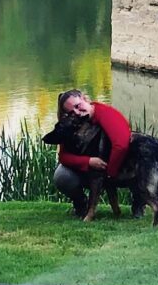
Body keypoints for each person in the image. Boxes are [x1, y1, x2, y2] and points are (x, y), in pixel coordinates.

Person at [50, 87, 132, 216]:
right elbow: (63, 157)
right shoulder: (70, 125)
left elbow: (121, 145)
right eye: (71, 112)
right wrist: (89, 162)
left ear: (85, 98)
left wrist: (110, 173)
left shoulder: (106, 114)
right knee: (62, 176)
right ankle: (81, 204)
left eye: (78, 105)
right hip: (89, 169)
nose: (77, 112)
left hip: (115, 168)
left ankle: (138, 205)